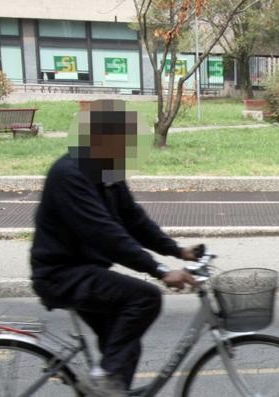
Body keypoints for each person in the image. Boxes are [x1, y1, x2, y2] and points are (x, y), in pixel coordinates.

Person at [30, 99, 199, 396]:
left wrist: (178, 251)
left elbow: (134, 220)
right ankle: (104, 381)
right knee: (145, 298)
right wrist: (159, 271)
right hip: (61, 275)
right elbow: (105, 234)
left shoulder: (107, 171)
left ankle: (106, 382)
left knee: (125, 350)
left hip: (85, 270)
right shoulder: (70, 174)